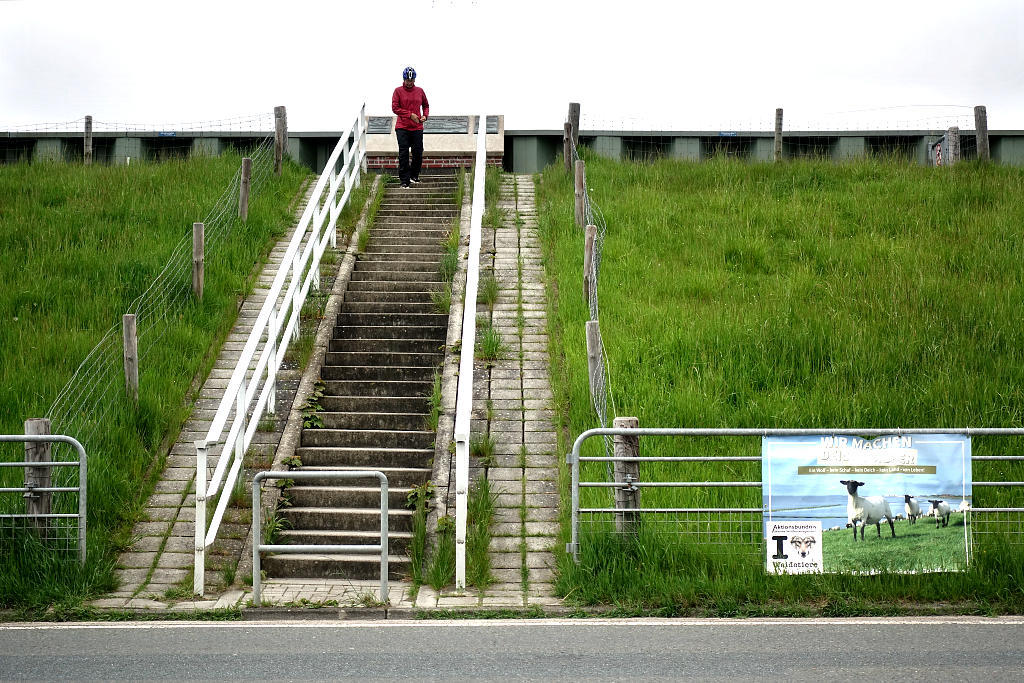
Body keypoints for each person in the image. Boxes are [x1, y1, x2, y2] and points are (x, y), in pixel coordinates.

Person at [391, 66, 429, 188]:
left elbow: (426, 105)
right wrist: (409, 115)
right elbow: (395, 108)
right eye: (407, 80)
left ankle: (414, 176)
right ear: (404, 79)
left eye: (411, 81)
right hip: (402, 127)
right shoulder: (398, 91)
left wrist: (425, 116)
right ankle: (404, 180)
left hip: (417, 127)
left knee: (418, 152)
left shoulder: (420, 91)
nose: (409, 83)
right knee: (404, 154)